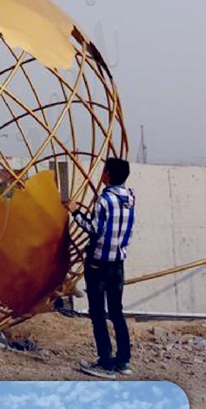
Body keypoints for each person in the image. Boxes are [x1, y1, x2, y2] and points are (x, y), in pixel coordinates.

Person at [71, 158, 136, 375]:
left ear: (107, 174)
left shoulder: (104, 200)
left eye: (104, 170)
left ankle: (106, 363)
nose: (102, 174)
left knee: (98, 313)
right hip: (117, 263)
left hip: (98, 263)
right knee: (117, 312)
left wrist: (74, 213)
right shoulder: (130, 197)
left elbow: (94, 229)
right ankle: (123, 361)